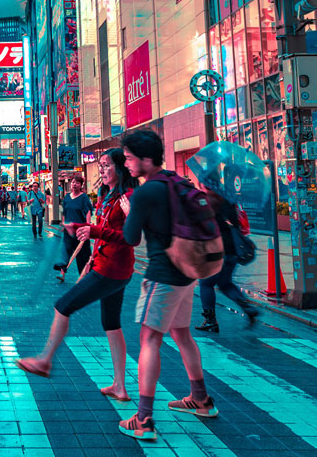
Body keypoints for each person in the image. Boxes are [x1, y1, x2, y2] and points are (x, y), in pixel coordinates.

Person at [16, 149, 136, 404]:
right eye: (100, 165)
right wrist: (83, 230)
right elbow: (105, 229)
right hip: (112, 266)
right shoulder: (108, 195)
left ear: (120, 168)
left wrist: (93, 231)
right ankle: (120, 386)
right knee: (111, 324)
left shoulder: (127, 197)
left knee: (63, 306)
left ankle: (45, 360)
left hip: (111, 269)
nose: (101, 169)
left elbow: (131, 237)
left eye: (106, 165)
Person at [119, 129, 214, 441]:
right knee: (182, 334)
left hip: (163, 275)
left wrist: (130, 213)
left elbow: (131, 238)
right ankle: (200, 399)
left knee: (149, 340)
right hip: (188, 273)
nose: (126, 164)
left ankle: (144, 419)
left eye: (129, 158)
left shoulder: (145, 192)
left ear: (146, 159)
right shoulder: (176, 181)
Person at [194, 191, 259, 333]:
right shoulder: (229, 201)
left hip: (215, 250)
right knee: (225, 284)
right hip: (232, 250)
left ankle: (210, 321)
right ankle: (247, 307)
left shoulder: (207, 202)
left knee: (206, 284)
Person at [56, 175, 93, 278]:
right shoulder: (67, 197)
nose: (74, 184)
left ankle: (84, 276)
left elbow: (88, 211)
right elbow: (64, 212)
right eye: (73, 182)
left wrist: (88, 225)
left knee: (82, 254)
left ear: (81, 185)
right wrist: (64, 224)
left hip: (80, 230)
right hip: (68, 229)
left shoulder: (84, 197)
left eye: (77, 182)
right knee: (66, 251)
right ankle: (62, 273)